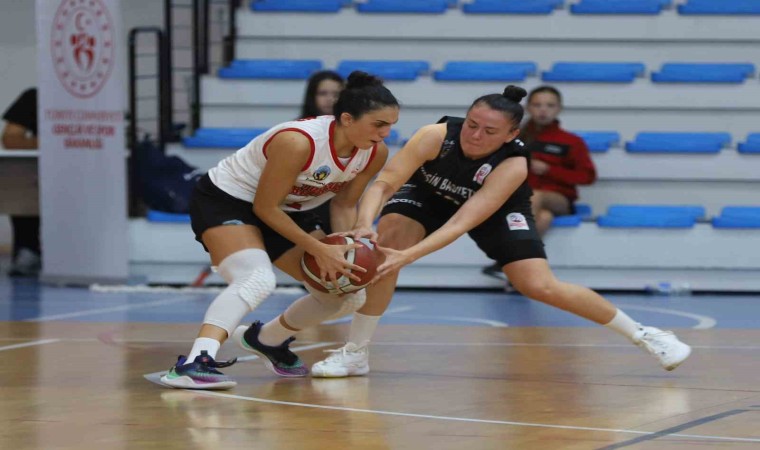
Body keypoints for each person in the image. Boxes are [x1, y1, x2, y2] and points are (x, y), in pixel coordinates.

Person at [310, 85, 691, 378]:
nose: (475, 135)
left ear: (510, 135)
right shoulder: (434, 135)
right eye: (471, 124)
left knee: (538, 285)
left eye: (489, 131)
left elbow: (462, 223)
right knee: (388, 244)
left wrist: (409, 257)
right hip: (429, 194)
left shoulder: (513, 165)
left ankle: (646, 335)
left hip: (495, 209)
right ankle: (355, 353)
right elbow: (384, 183)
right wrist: (365, 223)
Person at [160, 71, 400, 389]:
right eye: (379, 124)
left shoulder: (374, 152)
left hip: (288, 209)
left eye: (391, 125)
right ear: (346, 119)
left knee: (344, 295)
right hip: (228, 200)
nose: (386, 133)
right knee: (256, 278)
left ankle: (266, 339)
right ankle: (194, 362)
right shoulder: (298, 142)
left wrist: (347, 249)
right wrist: (319, 249)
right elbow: (265, 208)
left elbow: (343, 204)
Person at [522, 86, 596, 237]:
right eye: (537, 105)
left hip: (558, 199)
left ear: (559, 109)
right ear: (528, 108)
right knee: (544, 217)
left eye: (550, 105)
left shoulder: (571, 141)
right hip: (520, 197)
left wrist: (549, 170)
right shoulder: (514, 138)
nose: (543, 110)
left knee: (534, 196)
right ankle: (517, 252)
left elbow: (587, 176)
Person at [1, 88, 41, 277]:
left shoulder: (98, 100)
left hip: (86, 169)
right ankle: (29, 249)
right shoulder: (35, 96)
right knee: (21, 174)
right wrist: (54, 143)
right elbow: (10, 138)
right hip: (40, 172)